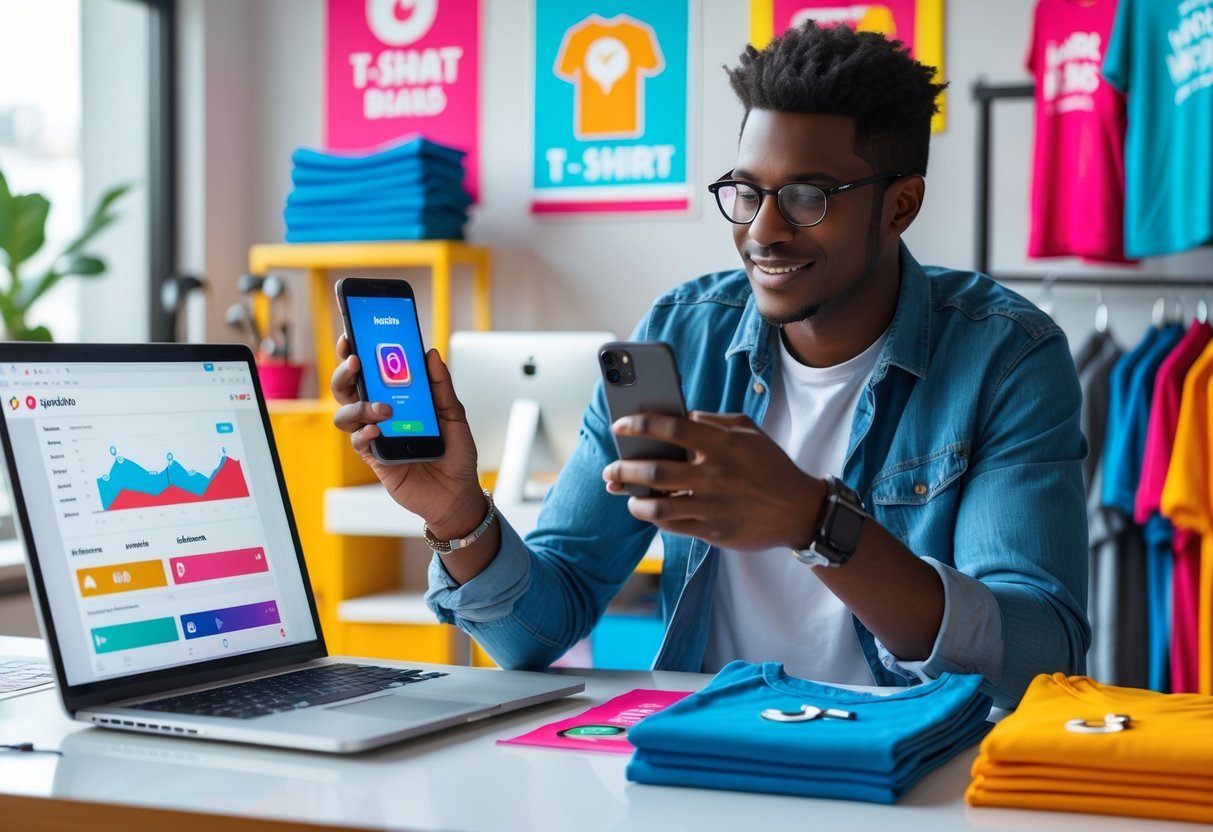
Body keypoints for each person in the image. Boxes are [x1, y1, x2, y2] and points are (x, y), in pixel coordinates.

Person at [331, 21, 1089, 708]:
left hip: (904, 774)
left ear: (900, 205)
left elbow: (1036, 655)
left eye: (804, 197)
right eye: (746, 192)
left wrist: (812, 519)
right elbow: (538, 631)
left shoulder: (1005, 356)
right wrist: (455, 512)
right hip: (704, 764)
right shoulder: (679, 337)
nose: (763, 231)